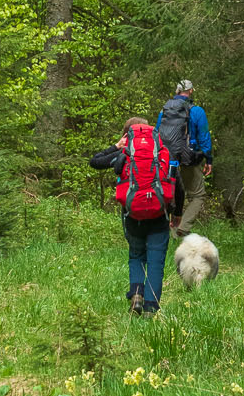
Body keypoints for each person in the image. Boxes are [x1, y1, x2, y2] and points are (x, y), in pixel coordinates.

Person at [89, 116, 182, 316]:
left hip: (132, 217)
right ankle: (150, 308)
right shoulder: (162, 154)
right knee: (156, 261)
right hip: (159, 214)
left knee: (136, 255)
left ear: (126, 135)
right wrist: (178, 213)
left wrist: (115, 146)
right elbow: (178, 184)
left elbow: (95, 161)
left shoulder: (123, 154)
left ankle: (137, 295)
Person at [156, 80, 213, 235]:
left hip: (167, 159)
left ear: (177, 91)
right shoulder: (197, 111)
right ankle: (183, 227)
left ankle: (167, 230)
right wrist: (208, 159)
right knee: (197, 195)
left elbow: (156, 134)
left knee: (167, 193)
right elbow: (204, 136)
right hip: (189, 158)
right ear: (191, 91)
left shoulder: (164, 111)